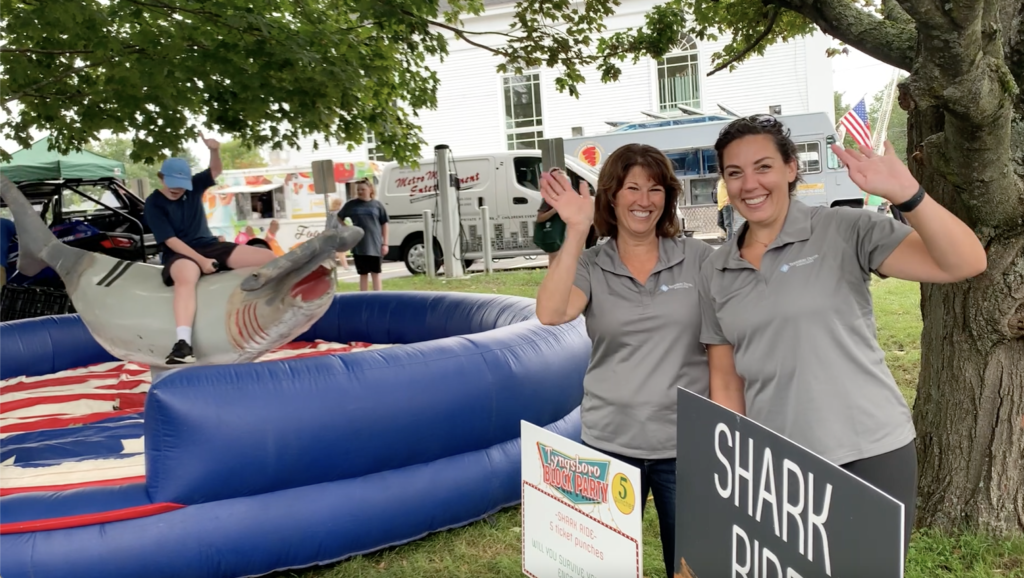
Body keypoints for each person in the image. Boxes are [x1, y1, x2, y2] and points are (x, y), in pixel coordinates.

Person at [697, 114, 987, 559]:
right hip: (780, 467)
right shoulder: (716, 270)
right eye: (734, 173)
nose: (749, 184)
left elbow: (964, 262)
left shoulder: (845, 230)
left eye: (763, 167)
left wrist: (908, 194)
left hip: (869, 450)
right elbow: (726, 382)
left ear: (791, 168)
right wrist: (738, 465)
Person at [535, 144, 716, 578]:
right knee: (603, 569)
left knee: (693, 567)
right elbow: (551, 313)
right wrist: (577, 230)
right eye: (632, 187)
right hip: (608, 443)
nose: (644, 199)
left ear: (667, 198)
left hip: (686, 446)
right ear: (612, 196)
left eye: (655, 189)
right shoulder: (593, 264)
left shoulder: (699, 260)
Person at [145, 135, 278, 365]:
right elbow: (170, 240)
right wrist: (203, 262)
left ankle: (266, 317)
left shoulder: (194, 186)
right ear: (161, 178)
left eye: (182, 184)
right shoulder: (154, 203)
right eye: (173, 183)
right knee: (187, 274)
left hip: (209, 244)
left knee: (267, 256)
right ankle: (183, 343)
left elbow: (215, 170)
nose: (177, 189)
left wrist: (215, 150)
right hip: (179, 252)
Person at [338, 178, 389, 291]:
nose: (360, 192)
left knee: (375, 273)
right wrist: (347, 228)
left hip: (375, 245)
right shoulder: (351, 205)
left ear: (370, 189)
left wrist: (385, 244)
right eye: (358, 189)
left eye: (363, 189)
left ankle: (377, 297)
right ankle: (364, 297)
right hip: (359, 246)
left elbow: (384, 224)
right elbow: (339, 217)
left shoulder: (377, 205)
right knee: (363, 273)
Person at [325, 196, 351, 271]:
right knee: (341, 251)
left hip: (330, 234)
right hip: (337, 234)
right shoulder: (337, 214)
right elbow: (337, 225)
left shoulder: (330, 213)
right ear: (339, 205)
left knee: (337, 251)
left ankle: (332, 265)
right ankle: (345, 267)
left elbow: (328, 225)